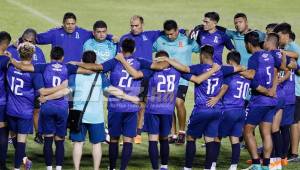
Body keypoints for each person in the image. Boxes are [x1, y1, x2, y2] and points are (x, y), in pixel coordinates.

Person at [10, 46, 93, 170]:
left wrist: (11, 59)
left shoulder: (43, 66)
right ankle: (58, 167)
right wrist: (76, 63)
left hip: (47, 107)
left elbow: (23, 67)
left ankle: (49, 167)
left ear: (50, 56)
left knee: (48, 139)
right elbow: (89, 71)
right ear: (63, 57)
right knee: (60, 140)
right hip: (62, 108)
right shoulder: (68, 67)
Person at [160, 45, 242, 170]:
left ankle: (187, 167)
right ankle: (208, 168)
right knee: (210, 139)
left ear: (202, 55)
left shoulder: (199, 68)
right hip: (216, 109)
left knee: (191, 137)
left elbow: (185, 69)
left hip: (201, 109)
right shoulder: (222, 69)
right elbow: (240, 68)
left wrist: (170, 60)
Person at [153, 19, 200, 144]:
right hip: (166, 79)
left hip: (182, 78)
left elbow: (201, 49)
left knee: (179, 102)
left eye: (172, 34)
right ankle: (172, 133)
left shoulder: (187, 40)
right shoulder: (160, 40)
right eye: (167, 34)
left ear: (177, 30)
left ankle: (182, 132)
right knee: (169, 105)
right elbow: (150, 51)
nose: (170, 37)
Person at [202, 51, 251, 170]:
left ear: (229, 62)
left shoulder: (230, 75)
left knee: (216, 137)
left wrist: (216, 98)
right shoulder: (247, 77)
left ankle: (212, 164)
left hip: (229, 110)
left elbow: (224, 87)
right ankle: (233, 166)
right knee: (234, 139)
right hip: (241, 111)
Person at [241, 31, 277, 170]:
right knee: (266, 133)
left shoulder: (254, 58)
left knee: (247, 130)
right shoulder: (269, 54)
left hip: (259, 101)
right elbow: (275, 71)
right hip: (271, 101)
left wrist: (238, 71)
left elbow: (252, 79)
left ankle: (256, 163)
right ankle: (266, 165)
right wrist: (273, 89)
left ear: (249, 44)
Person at [7, 28, 46, 144]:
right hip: (16, 91)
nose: (27, 43)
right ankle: (12, 136)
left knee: (36, 110)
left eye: (30, 41)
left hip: (33, 89)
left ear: (35, 42)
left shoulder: (38, 52)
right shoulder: (12, 49)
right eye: (25, 40)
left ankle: (39, 134)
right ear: (21, 39)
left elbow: (41, 71)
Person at [36, 12, 115, 63]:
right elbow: (37, 38)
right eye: (68, 24)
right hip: (60, 69)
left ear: (75, 23)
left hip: (76, 70)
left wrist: (110, 36)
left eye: (72, 23)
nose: (70, 26)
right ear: (63, 23)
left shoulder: (81, 33)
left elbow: (97, 33)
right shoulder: (55, 33)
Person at [274, 23, 300, 162]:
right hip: (289, 91)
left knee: (293, 122)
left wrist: (291, 68)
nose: (278, 39)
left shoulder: (293, 49)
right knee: (287, 123)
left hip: (295, 91)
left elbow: (298, 68)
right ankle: (286, 152)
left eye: (279, 36)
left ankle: (293, 154)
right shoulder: (287, 48)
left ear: (285, 35)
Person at [0, 31, 11, 170]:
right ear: (6, 44)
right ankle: (1, 165)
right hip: (2, 102)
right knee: (2, 133)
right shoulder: (5, 60)